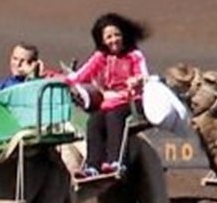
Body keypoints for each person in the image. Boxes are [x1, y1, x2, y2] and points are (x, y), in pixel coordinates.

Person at [60, 13, 150, 179]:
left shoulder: (134, 55)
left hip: (131, 101)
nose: (113, 40)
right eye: (108, 36)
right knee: (94, 121)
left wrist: (135, 80)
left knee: (114, 116)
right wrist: (62, 80)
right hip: (109, 102)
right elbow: (81, 75)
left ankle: (116, 161)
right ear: (102, 40)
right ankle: (92, 165)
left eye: (117, 35)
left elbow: (144, 77)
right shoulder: (101, 57)